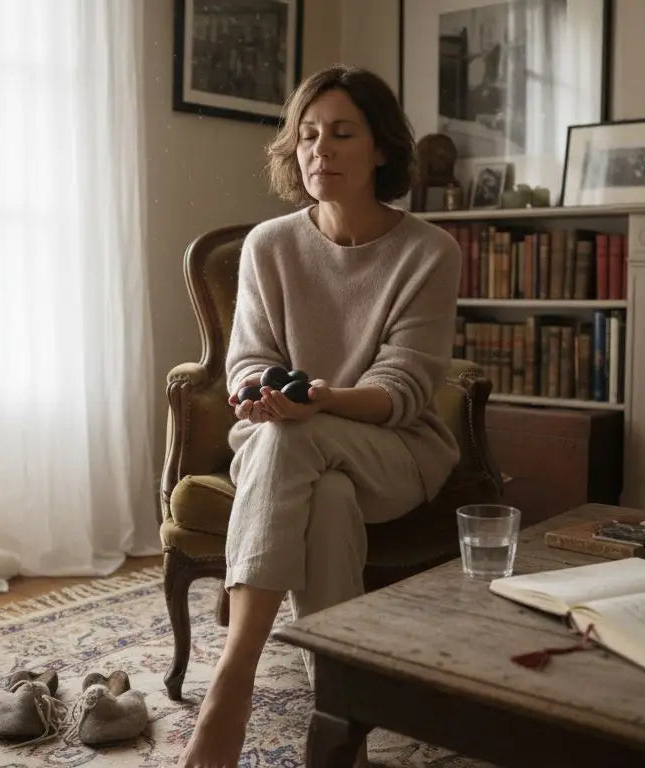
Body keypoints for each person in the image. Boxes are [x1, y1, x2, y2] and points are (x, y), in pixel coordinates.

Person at [179, 65, 461, 767]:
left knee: (293, 439)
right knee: (320, 490)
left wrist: (320, 399)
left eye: (341, 133)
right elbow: (247, 361)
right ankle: (340, 734)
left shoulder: (429, 250)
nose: (319, 150)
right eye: (307, 135)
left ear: (382, 150)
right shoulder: (269, 246)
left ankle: (230, 685)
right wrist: (258, 393)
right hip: (290, 444)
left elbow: (404, 389)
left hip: (393, 450)